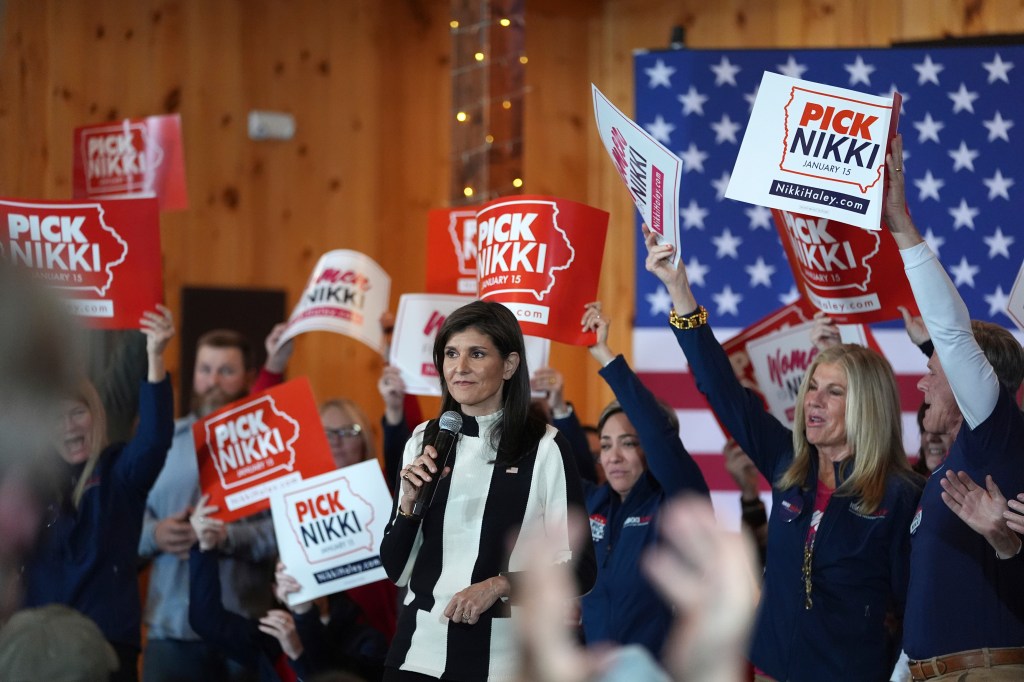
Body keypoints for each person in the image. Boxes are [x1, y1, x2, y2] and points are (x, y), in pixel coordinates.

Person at [643, 224, 924, 681]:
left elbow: (914, 606)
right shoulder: (788, 462)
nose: (812, 399)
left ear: (867, 409)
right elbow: (722, 390)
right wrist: (680, 292)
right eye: (812, 386)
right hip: (770, 668)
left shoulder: (902, 494)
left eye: (833, 392)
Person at [379, 300, 596, 681]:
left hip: (507, 661)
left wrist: (501, 584)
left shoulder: (545, 447)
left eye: (476, 354)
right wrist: (408, 509)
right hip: (417, 653)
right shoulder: (421, 440)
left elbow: (580, 570)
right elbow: (396, 571)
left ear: (509, 365)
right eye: (450, 354)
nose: (459, 368)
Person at [883, 133, 1024, 680]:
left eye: (930, 370)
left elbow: (952, 333)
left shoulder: (994, 431)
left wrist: (901, 223)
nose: (920, 385)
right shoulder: (961, 459)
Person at [23, 305, 175, 682]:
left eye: (77, 413)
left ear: (96, 413)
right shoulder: (28, 484)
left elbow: (155, 440)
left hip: (106, 647)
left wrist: (154, 356)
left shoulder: (118, 472)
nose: (68, 427)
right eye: (55, 418)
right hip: (39, 647)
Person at [139, 324, 294, 682]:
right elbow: (125, 516)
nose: (213, 380)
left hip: (244, 626)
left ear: (249, 377)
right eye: (205, 369)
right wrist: (155, 534)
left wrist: (228, 537)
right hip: (171, 630)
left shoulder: (274, 446)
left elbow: (288, 525)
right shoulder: (164, 442)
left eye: (226, 371)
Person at [578, 302, 710, 656]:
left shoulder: (678, 499)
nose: (613, 456)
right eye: (606, 445)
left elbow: (658, 435)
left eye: (629, 444)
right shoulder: (596, 503)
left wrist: (605, 355)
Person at [187, 495, 313, 682]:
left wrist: (298, 654)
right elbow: (206, 621)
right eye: (281, 572)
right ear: (275, 591)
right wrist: (206, 546)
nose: (288, 576)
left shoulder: (356, 633)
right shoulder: (275, 639)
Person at [319, 396, 399, 643]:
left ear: (364, 438)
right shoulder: (296, 499)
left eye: (347, 431)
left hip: (390, 624)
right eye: (326, 432)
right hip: (330, 637)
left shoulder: (389, 486)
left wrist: (395, 409)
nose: (335, 441)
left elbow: (400, 443)